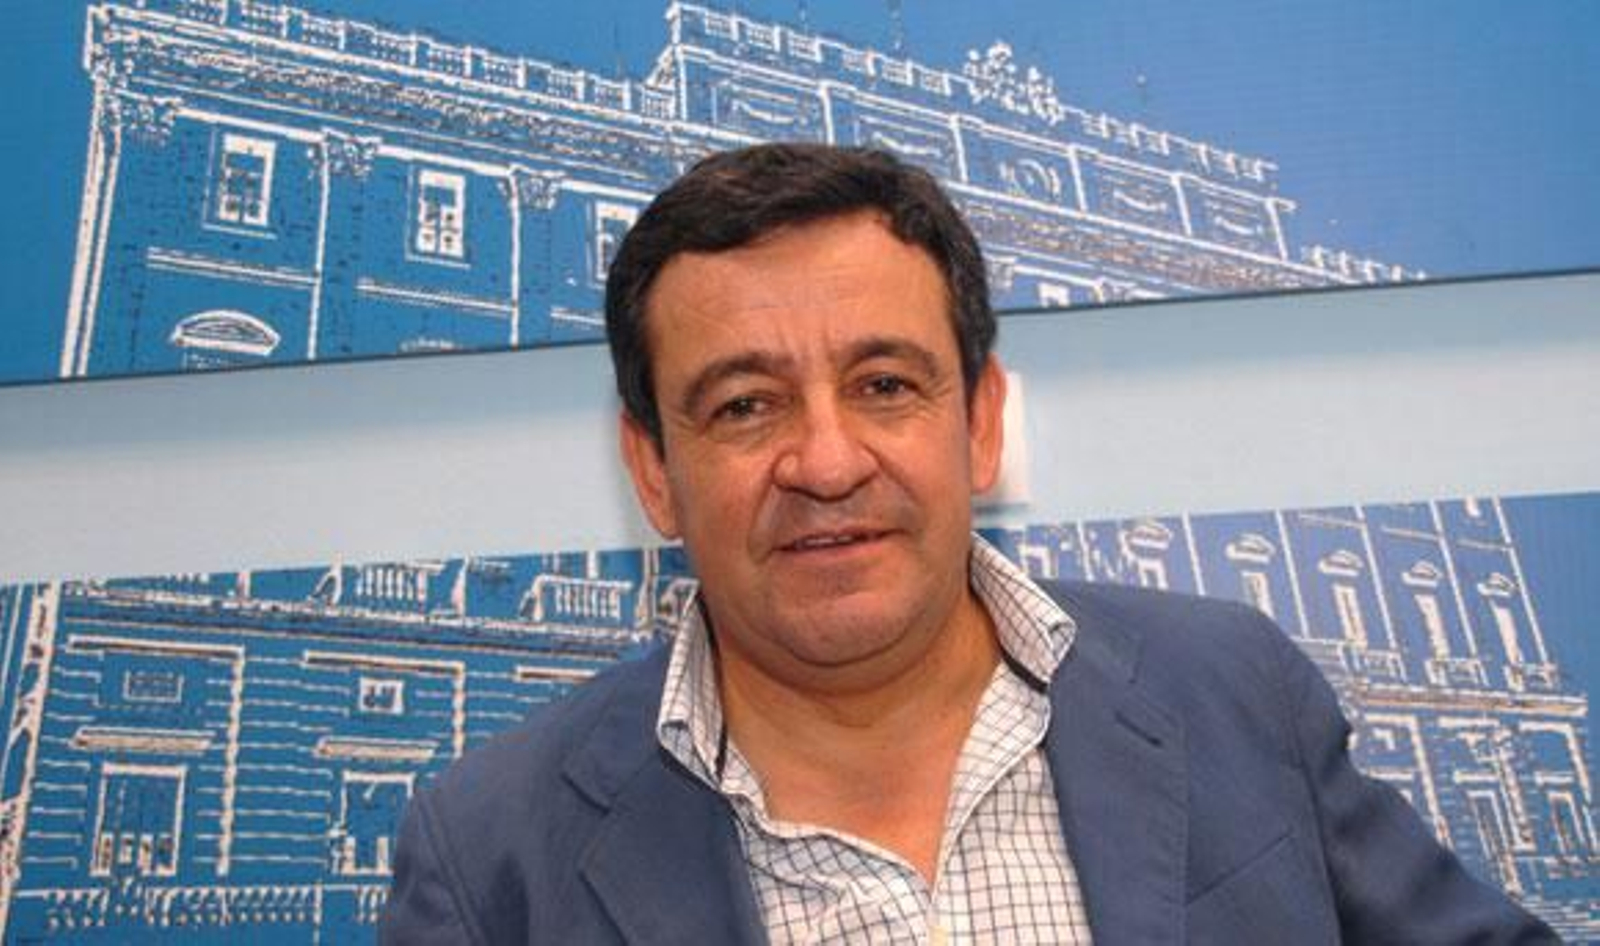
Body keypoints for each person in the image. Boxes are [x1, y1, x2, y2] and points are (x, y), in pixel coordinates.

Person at [380, 143, 1556, 944]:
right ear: (653, 470)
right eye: (744, 405)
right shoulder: (490, 860)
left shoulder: (1230, 691)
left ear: (981, 423)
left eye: (884, 384)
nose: (826, 461)